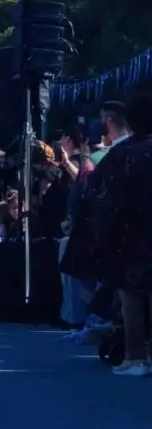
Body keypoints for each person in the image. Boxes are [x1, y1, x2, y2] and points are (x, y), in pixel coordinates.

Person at [91, 93, 152, 376]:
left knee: (131, 297)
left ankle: (136, 357)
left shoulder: (125, 153)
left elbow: (106, 198)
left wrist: (101, 236)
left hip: (133, 237)